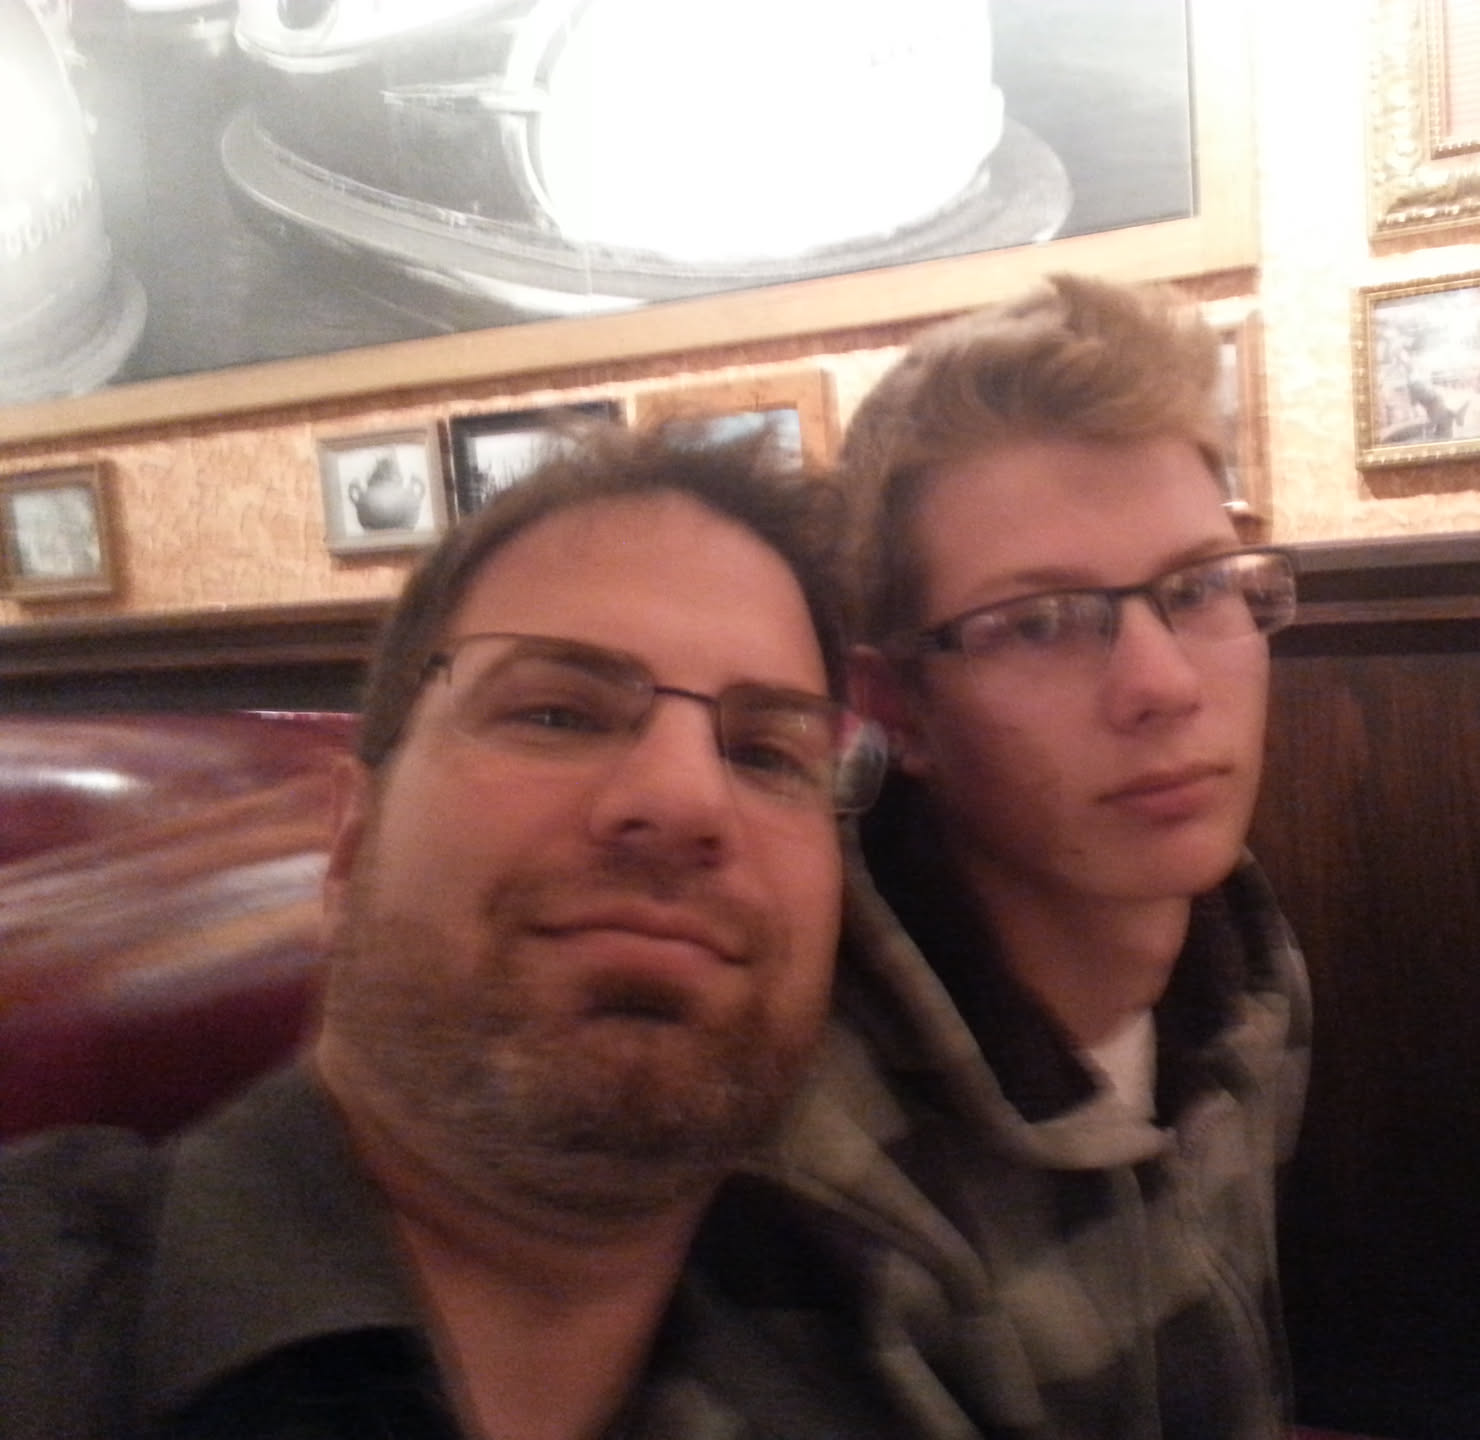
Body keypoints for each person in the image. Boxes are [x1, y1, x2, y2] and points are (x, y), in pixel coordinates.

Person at [0, 431, 894, 1440]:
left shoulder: (901, 1365)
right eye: (557, 714)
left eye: (768, 754)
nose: (687, 800)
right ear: (352, 841)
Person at [737, 275, 1314, 1439]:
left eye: (1198, 587)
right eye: (1040, 621)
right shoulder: (813, 1168)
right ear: (894, 706)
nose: (1163, 684)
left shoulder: (1251, 975)